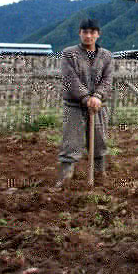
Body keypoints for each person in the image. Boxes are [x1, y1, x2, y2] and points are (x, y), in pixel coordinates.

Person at [53, 19, 113, 189]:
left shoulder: (106, 56)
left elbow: (108, 80)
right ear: (80, 33)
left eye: (92, 32)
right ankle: (66, 178)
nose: (88, 36)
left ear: (98, 34)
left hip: (98, 105)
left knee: (99, 141)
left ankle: (100, 175)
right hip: (74, 106)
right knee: (71, 142)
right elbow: (70, 79)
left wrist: (98, 96)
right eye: (85, 32)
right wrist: (86, 98)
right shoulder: (69, 54)